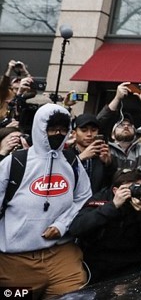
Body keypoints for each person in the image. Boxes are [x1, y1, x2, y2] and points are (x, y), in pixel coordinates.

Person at [0, 104, 92, 297]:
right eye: (52, 129)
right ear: (40, 129)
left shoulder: (72, 162)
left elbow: (84, 197)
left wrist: (63, 224)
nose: (58, 134)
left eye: (63, 129)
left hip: (62, 256)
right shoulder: (15, 162)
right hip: (15, 262)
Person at [69, 167, 141, 284]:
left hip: (133, 267)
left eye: (138, 187)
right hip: (98, 266)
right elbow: (76, 228)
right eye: (129, 188)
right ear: (115, 190)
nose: (134, 191)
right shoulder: (101, 199)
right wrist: (112, 206)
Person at [98, 82, 141, 177]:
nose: (126, 126)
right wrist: (117, 98)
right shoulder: (105, 148)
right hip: (114, 191)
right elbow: (99, 125)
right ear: (112, 134)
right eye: (121, 125)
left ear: (135, 133)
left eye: (129, 125)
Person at [70, 113, 115, 194]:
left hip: (96, 203)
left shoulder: (103, 155)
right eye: (84, 130)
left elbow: (111, 185)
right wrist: (80, 158)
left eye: (94, 130)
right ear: (74, 134)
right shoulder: (66, 154)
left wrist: (108, 165)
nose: (89, 134)